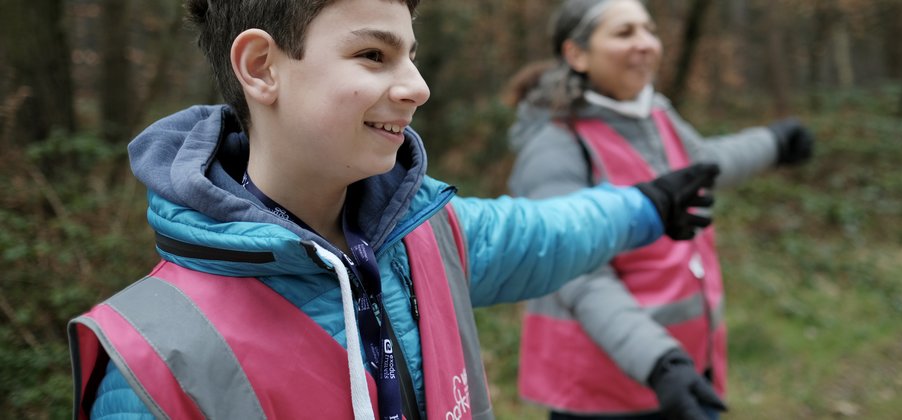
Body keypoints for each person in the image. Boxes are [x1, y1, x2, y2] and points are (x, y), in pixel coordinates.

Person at [66, 0, 723, 419]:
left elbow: (549, 232)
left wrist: (647, 205)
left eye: (409, 55)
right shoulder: (151, 362)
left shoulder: (430, 238)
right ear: (262, 66)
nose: (417, 87)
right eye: (374, 54)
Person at [504, 1, 815, 420]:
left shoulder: (655, 113)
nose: (646, 44)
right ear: (576, 54)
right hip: (605, 392)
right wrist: (660, 361)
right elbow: (576, 274)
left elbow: (703, 163)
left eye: (649, 30)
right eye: (624, 33)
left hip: (682, 373)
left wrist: (774, 142)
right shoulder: (555, 146)